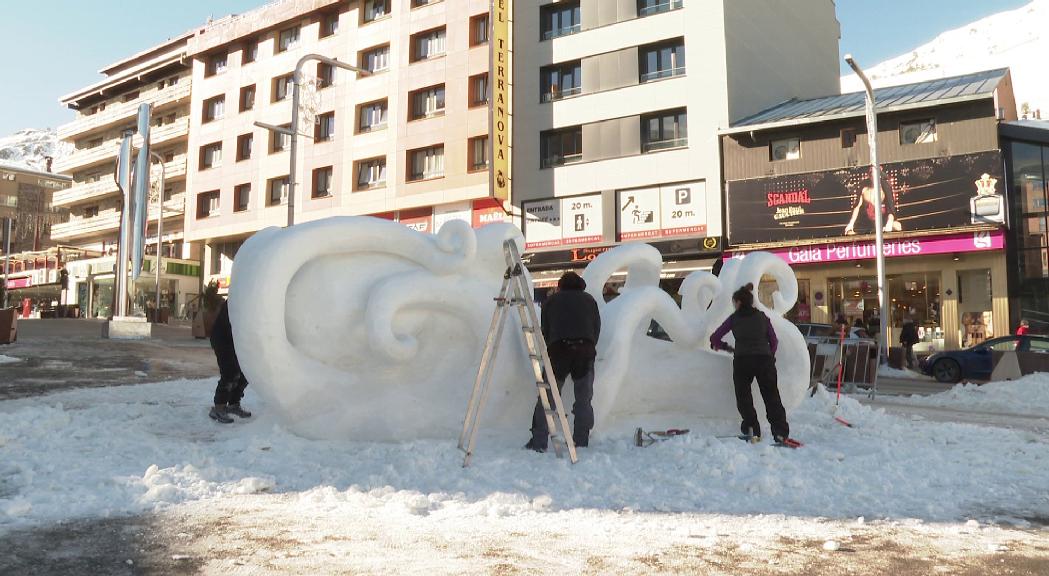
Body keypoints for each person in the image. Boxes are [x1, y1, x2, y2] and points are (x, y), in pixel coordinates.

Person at [525, 271, 600, 452]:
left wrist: (552, 347)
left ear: (561, 285)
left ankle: (539, 442)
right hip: (585, 352)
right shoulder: (590, 300)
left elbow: (545, 329)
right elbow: (596, 328)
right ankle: (581, 440)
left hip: (559, 352)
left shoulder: (552, 301)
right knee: (584, 399)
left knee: (547, 399)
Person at [710, 284, 789, 443]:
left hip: (743, 360)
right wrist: (769, 355)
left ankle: (752, 430)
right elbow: (773, 341)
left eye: (734, 302)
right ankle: (780, 432)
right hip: (764, 360)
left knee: (744, 397)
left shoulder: (734, 318)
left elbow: (714, 338)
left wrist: (726, 348)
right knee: (772, 396)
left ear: (738, 302)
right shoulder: (762, 317)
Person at [208, 299, 252, 423]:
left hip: (236, 341)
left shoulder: (249, 299)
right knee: (230, 372)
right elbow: (233, 323)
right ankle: (218, 407)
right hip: (223, 339)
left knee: (245, 372)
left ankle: (234, 404)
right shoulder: (236, 299)